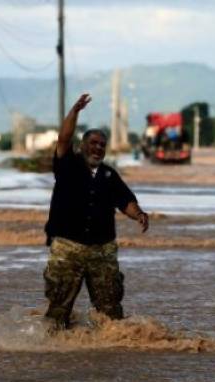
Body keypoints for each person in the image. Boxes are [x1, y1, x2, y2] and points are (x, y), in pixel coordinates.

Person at [43, 93, 149, 330]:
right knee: (58, 309)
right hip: (67, 247)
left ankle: (106, 353)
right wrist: (75, 111)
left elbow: (126, 202)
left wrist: (139, 214)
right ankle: (54, 353)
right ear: (82, 145)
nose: (98, 148)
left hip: (103, 250)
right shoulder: (67, 164)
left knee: (111, 314)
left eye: (102, 145)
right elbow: (63, 138)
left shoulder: (110, 175)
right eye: (93, 143)